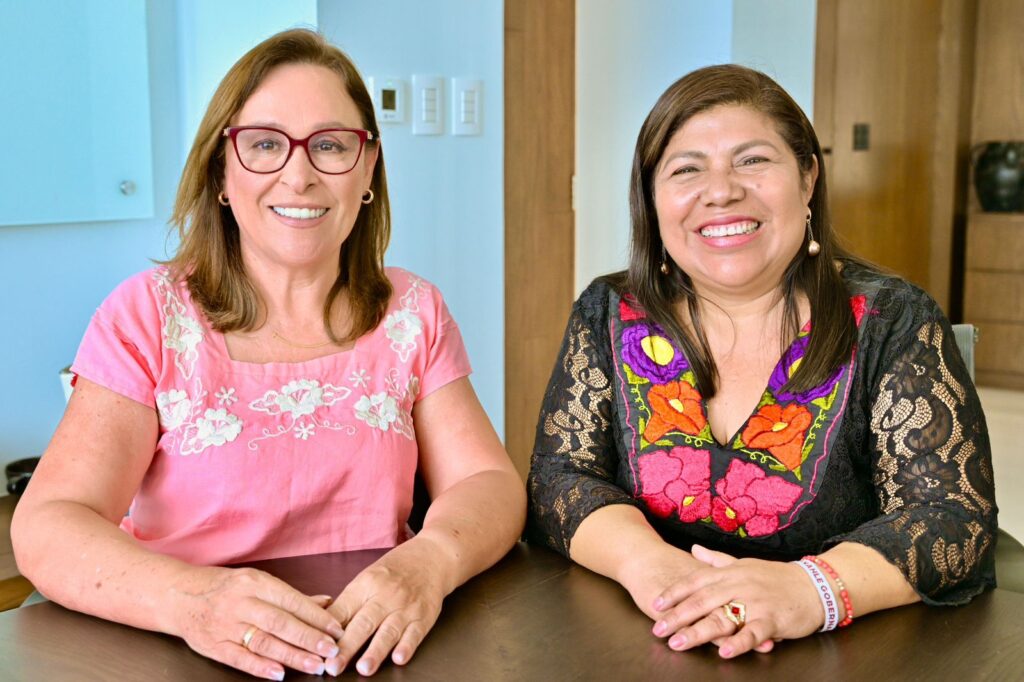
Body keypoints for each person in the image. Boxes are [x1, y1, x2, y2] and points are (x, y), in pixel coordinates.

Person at [12, 29, 524, 679]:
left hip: (371, 653)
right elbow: (50, 525)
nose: (299, 175)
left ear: (368, 168)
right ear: (221, 173)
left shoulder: (413, 310)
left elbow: (488, 484)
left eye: (330, 145)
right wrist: (193, 601)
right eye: (263, 144)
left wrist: (428, 563)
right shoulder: (147, 316)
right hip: (185, 654)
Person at [527, 64, 997, 658]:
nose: (721, 190)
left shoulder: (893, 320)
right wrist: (655, 570)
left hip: (849, 654)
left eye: (752, 160)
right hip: (648, 641)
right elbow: (559, 476)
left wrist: (812, 589)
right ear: (652, 199)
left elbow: (953, 516)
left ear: (807, 179)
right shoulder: (609, 311)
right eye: (686, 169)